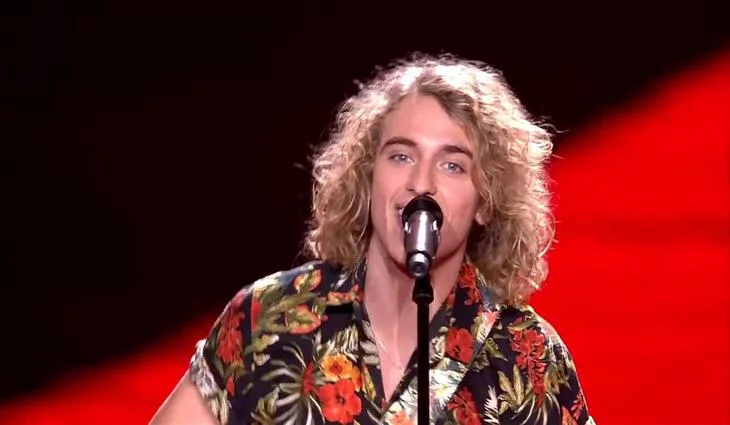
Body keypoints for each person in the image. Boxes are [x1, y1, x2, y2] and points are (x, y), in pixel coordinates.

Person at [151, 53, 596, 425]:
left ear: (485, 200)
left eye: (452, 165)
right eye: (401, 156)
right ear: (369, 178)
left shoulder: (527, 357)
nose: (421, 183)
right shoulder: (269, 316)